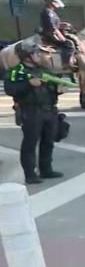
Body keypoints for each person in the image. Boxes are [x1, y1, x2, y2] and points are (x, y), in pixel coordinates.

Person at [4, 42, 63, 184]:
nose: (39, 55)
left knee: (48, 141)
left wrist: (58, 90)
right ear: (27, 56)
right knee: (30, 143)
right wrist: (28, 84)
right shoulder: (17, 71)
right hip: (30, 111)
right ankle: (30, 174)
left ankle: (46, 169)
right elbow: (10, 89)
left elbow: (52, 86)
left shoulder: (42, 69)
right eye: (35, 53)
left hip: (49, 109)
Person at [38, 0, 76, 67]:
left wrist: (63, 24)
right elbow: (52, 26)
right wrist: (60, 36)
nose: (57, 5)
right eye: (55, 3)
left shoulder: (51, 12)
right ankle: (65, 63)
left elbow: (55, 24)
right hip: (50, 33)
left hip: (51, 31)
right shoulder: (48, 12)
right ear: (52, 3)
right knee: (69, 44)